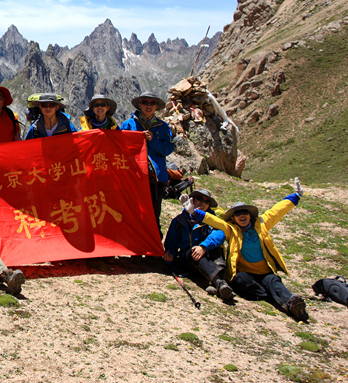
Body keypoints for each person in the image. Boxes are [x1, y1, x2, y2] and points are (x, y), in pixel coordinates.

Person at [180, 180, 309, 321]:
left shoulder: (261, 224)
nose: (242, 215)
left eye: (244, 212)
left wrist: (296, 196)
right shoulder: (232, 230)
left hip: (265, 272)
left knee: (273, 281)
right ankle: (271, 295)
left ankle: (291, 303)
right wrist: (193, 212)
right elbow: (214, 221)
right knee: (240, 281)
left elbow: (278, 210)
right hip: (245, 273)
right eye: (238, 213)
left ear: (249, 215)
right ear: (234, 218)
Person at [163, 189, 234, 301]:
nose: (202, 203)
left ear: (209, 205)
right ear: (192, 200)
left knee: (215, 248)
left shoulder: (212, 220)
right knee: (194, 251)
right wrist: (169, 257)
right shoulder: (179, 221)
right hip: (188, 261)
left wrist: (204, 246)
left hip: (208, 259)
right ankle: (219, 282)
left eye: (206, 201)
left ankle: (216, 284)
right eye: (199, 199)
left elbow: (219, 235)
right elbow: (171, 243)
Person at [119, 92, 174, 230]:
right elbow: (119, 146)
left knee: (154, 215)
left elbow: (167, 149)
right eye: (145, 102)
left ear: (156, 106)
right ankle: (136, 251)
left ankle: (153, 250)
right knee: (134, 214)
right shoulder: (128, 124)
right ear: (139, 105)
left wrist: (153, 140)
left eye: (152, 103)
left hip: (156, 177)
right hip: (133, 176)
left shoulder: (163, 127)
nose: (148, 106)